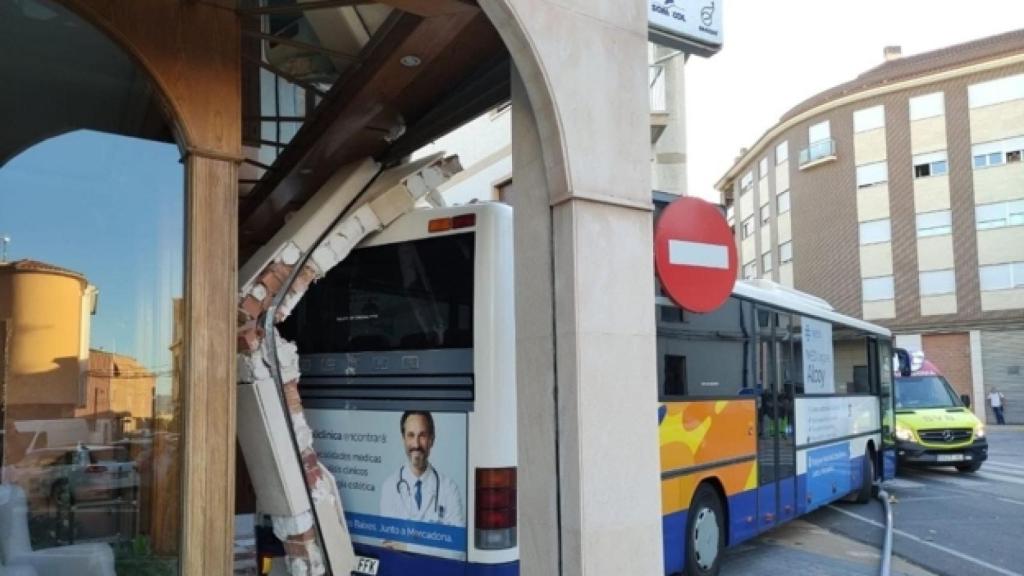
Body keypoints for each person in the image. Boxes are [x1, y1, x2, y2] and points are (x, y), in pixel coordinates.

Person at [379, 411, 464, 526]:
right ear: (403, 439)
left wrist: (405, 544)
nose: (416, 444)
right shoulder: (389, 487)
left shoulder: (449, 489)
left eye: (422, 435)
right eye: (411, 435)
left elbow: (455, 541)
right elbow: (387, 541)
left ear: (431, 439)